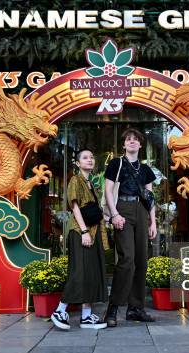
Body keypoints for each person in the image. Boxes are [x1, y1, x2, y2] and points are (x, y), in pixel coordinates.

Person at [103, 128, 157, 327]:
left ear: (140, 145)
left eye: (136, 139)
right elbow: (108, 190)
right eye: (128, 139)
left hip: (142, 212)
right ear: (124, 145)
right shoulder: (116, 163)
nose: (132, 142)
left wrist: (153, 222)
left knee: (142, 260)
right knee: (127, 259)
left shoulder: (145, 169)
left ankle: (136, 308)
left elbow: (150, 197)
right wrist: (114, 213)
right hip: (123, 209)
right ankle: (113, 307)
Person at [50, 149, 108, 330]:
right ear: (77, 163)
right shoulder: (76, 180)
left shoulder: (91, 183)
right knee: (80, 272)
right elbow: (74, 206)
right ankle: (60, 310)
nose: (89, 160)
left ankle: (86, 316)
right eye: (85, 157)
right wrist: (84, 231)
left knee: (90, 273)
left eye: (92, 157)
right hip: (81, 232)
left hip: (93, 231)